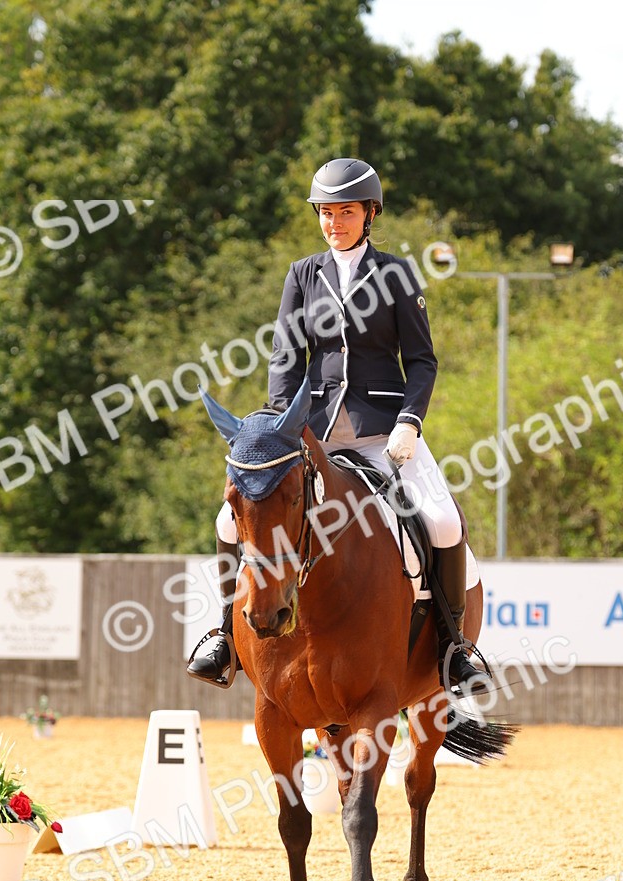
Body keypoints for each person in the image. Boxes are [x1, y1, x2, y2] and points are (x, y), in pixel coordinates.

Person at [188, 157, 487, 694]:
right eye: (326, 213)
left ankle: (454, 649)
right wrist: (282, 429)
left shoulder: (396, 275)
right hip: (314, 435)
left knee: (442, 522)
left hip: (385, 435)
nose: (334, 223)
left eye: (345, 212)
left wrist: (410, 420)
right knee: (229, 521)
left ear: (369, 214)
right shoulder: (303, 275)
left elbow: (422, 360)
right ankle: (225, 639)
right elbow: (286, 357)